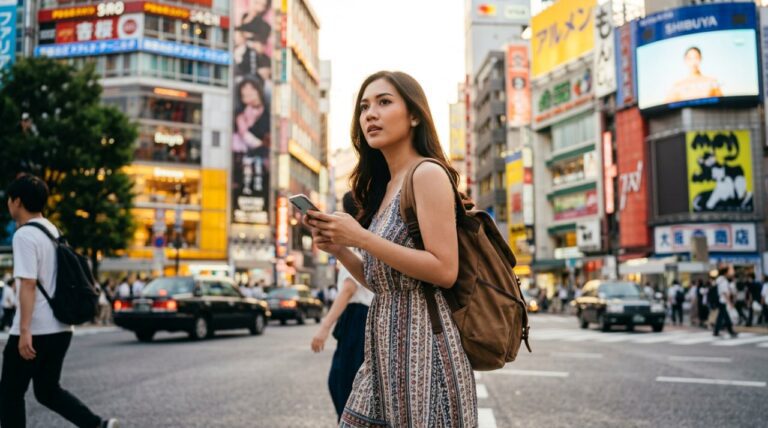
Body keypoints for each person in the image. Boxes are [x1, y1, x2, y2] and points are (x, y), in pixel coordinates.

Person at [303, 71, 477, 426]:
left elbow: (445, 270)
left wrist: (362, 238)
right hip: (383, 348)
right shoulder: (386, 189)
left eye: (384, 102)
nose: (370, 114)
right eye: (365, 106)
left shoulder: (426, 174)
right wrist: (340, 249)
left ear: (414, 115)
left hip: (425, 351)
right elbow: (383, 281)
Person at [0, 174, 118, 427]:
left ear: (17, 202)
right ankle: (97, 425)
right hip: (62, 327)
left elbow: (28, 285)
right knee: (47, 391)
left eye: (10, 200)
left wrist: (24, 331)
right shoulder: (52, 230)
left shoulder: (24, 235)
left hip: (36, 330)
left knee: (10, 394)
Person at [311, 192, 374, 421]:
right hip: (360, 317)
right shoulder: (364, 238)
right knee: (346, 379)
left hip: (358, 316)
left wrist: (324, 327)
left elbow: (349, 288)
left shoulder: (355, 242)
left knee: (343, 379)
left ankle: (350, 423)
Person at [713, 266, 737, 338]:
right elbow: (724, 292)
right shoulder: (723, 280)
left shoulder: (718, 280)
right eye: (728, 272)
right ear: (726, 273)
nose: (729, 274)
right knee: (723, 317)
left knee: (723, 317)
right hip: (723, 300)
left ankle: (725, 331)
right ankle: (729, 331)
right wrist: (729, 302)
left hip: (720, 300)